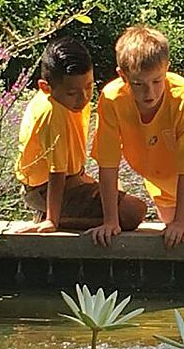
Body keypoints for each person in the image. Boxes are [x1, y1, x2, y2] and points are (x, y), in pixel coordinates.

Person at [89, 26, 184, 249]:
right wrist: (111, 221)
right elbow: (108, 164)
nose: (150, 93)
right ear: (122, 75)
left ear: (167, 68)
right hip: (159, 178)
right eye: (139, 84)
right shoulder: (111, 98)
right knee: (169, 227)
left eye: (157, 81)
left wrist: (182, 222)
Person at [13, 37, 112, 233]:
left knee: (121, 206)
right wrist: (53, 220)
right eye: (72, 92)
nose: (83, 98)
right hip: (43, 189)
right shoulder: (51, 112)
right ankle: (55, 219)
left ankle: (59, 217)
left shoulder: (70, 101)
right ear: (45, 87)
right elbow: (56, 172)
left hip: (72, 180)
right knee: (133, 212)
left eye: (89, 87)